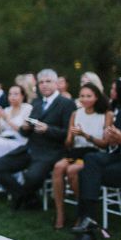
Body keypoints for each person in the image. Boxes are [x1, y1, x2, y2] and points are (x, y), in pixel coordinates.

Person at [0, 69, 76, 210]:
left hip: (51, 152)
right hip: (30, 148)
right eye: (41, 82)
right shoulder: (37, 102)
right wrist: (25, 127)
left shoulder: (67, 103)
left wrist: (48, 129)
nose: (44, 85)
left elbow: (68, 134)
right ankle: (25, 196)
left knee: (31, 177)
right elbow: (26, 132)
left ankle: (22, 198)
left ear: (56, 83)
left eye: (48, 81)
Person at [72, 75, 121, 240]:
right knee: (90, 158)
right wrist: (114, 141)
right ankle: (89, 221)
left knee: (88, 173)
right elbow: (114, 148)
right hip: (118, 156)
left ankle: (87, 220)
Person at [51, 83, 111, 230]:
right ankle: (60, 213)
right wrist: (71, 136)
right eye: (82, 96)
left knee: (72, 171)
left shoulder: (106, 115)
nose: (84, 99)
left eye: (88, 96)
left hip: (94, 154)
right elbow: (68, 144)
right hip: (77, 152)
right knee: (58, 167)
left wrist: (84, 135)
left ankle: (82, 213)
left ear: (97, 97)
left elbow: (104, 144)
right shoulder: (75, 114)